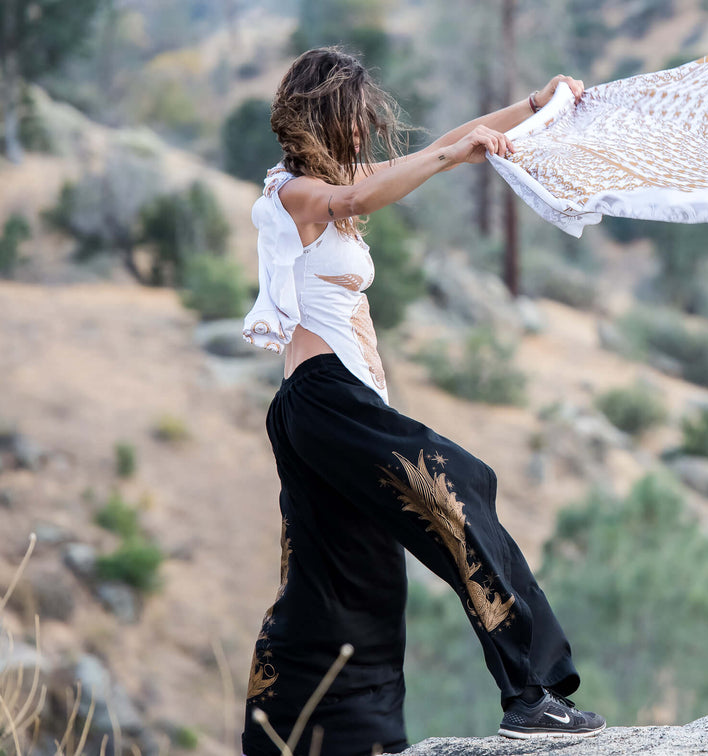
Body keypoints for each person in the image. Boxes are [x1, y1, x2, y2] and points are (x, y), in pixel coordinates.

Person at [238, 46, 602, 755]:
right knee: (460, 490)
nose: (362, 132)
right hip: (326, 401)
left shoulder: (336, 184)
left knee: (348, 578)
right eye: (353, 118)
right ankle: (530, 694)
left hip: (328, 408)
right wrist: (449, 153)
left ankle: (315, 740)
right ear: (322, 116)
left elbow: (448, 145)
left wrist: (536, 107)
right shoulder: (293, 194)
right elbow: (359, 197)